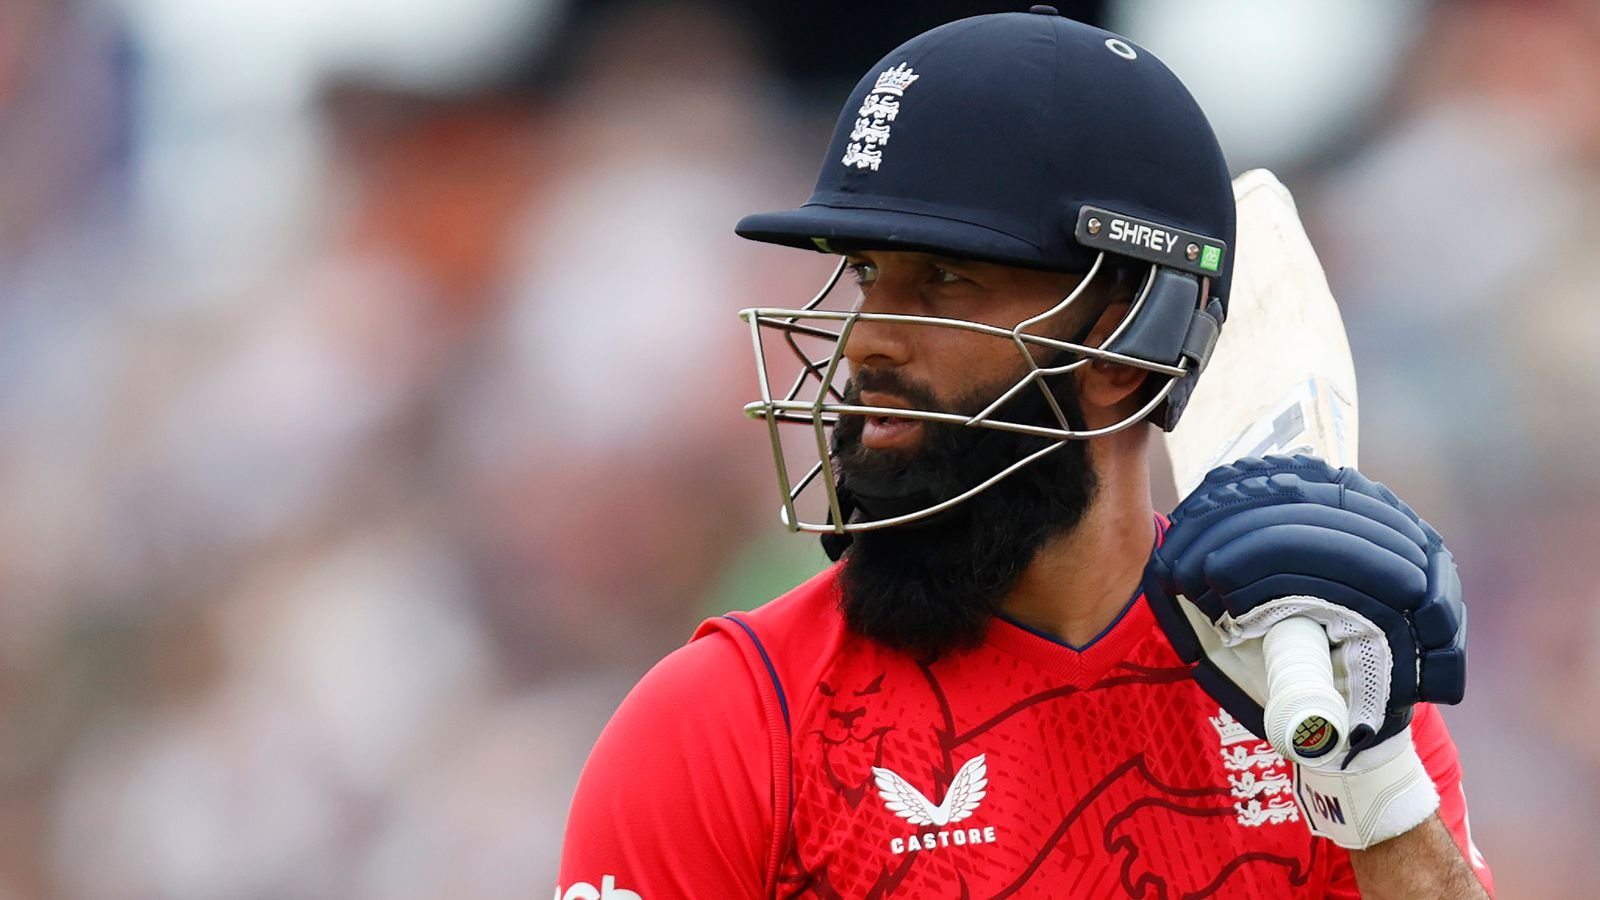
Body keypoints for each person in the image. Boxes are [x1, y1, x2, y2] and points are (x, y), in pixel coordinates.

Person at [557, 9, 1493, 898]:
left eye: (945, 280)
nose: (865, 342)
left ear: (1125, 345)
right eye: (869, 275)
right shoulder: (720, 725)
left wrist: (1373, 792)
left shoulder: (1321, 686)